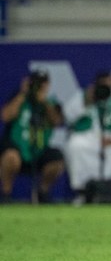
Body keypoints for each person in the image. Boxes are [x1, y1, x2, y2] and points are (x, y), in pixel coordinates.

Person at [63, 71, 111, 204]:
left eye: (109, 85)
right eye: (102, 85)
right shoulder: (83, 97)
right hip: (89, 139)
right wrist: (86, 101)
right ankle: (83, 191)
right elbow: (67, 117)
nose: (106, 88)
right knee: (74, 145)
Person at [0, 70, 65, 203]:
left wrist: (44, 102)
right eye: (36, 82)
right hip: (17, 147)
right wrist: (23, 94)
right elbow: (5, 116)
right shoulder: (19, 98)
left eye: (42, 83)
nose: (38, 86)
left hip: (39, 149)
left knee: (57, 160)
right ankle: (6, 193)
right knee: (11, 156)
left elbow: (57, 122)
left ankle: (43, 192)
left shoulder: (50, 103)